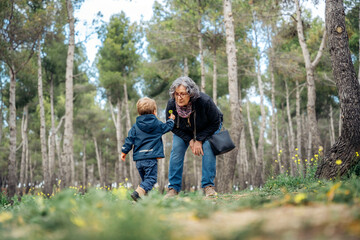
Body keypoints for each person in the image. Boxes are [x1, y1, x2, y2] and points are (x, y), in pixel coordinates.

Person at [165, 76, 223, 197]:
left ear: (190, 94)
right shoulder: (171, 105)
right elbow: (172, 126)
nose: (179, 97)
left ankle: (208, 187)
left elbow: (215, 122)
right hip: (185, 131)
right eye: (176, 94)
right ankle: (173, 189)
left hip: (208, 127)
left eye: (182, 94)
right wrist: (190, 140)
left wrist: (200, 139)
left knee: (208, 147)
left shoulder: (204, 101)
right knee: (177, 149)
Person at [121, 97, 175, 201]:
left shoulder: (135, 127)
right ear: (155, 112)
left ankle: (142, 201)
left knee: (146, 181)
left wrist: (124, 151)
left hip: (139, 160)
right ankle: (138, 193)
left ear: (139, 113)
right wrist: (171, 120)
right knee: (151, 179)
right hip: (150, 158)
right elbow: (167, 127)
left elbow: (129, 140)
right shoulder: (157, 124)